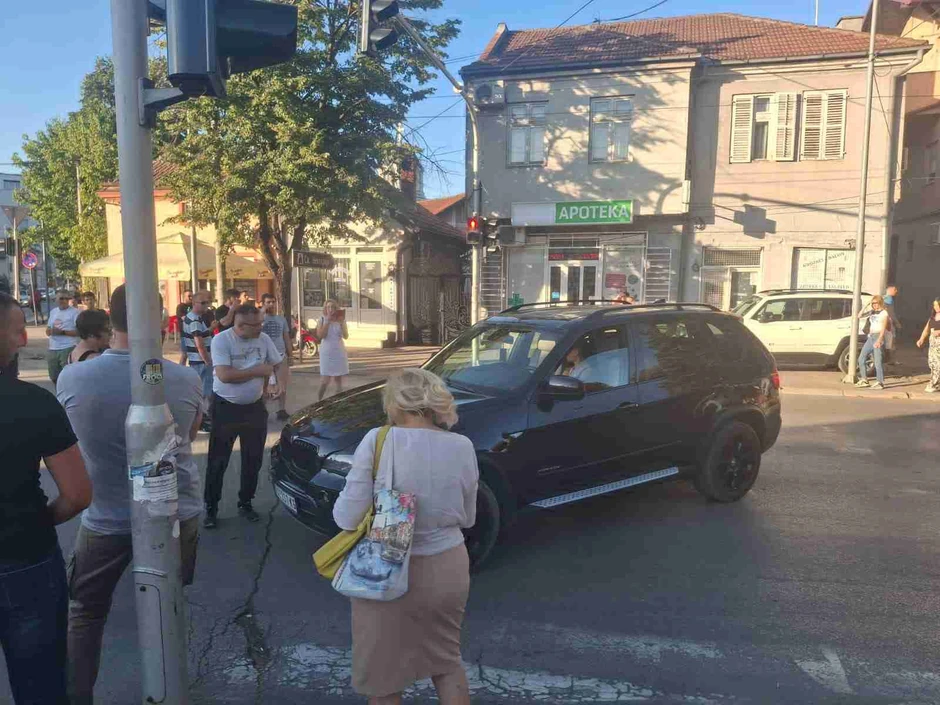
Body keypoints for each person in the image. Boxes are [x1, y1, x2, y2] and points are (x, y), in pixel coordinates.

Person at [56, 284, 203, 704]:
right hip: (176, 512)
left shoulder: (74, 376)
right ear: (158, 318)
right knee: (169, 604)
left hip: (105, 515)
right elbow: (190, 434)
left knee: (85, 611)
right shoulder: (185, 377)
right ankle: (170, 688)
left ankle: (77, 696)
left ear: (111, 317)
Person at [333, 368, 477, 705]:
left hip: (385, 568)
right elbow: (469, 518)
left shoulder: (378, 439)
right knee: (446, 662)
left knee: (383, 679)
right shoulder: (462, 445)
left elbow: (347, 517)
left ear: (394, 403)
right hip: (447, 566)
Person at [0, 291, 92, 704]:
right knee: (40, 687)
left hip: (26, 559)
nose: (25, 339)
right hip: (26, 560)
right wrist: (37, 518)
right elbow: (77, 494)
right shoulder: (35, 403)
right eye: (18, 331)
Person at [203, 304, 284, 528]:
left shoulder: (263, 339)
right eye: (256, 325)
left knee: (253, 459)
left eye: (261, 323)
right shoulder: (222, 340)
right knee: (218, 461)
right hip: (225, 408)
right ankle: (211, 508)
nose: (261, 328)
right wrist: (258, 370)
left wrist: (278, 383)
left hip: (254, 408)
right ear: (240, 325)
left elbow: (278, 364)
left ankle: (246, 502)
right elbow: (225, 375)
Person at [183, 291, 215, 432]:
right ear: (194, 303)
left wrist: (210, 330)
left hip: (197, 360)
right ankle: (202, 419)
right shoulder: (195, 320)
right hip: (200, 361)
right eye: (203, 303)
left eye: (207, 302)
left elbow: (201, 336)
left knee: (201, 390)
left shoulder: (193, 318)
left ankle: (201, 418)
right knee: (204, 391)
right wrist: (208, 361)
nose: (206, 305)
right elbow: (199, 344)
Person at [260, 293, 292, 421]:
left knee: (282, 384)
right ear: (263, 304)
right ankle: (263, 410)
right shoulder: (260, 319)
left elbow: (286, 338)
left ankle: (281, 410)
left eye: (273, 302)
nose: (271, 304)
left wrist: (290, 355)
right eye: (268, 302)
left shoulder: (281, 319)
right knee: (264, 385)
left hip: (280, 354)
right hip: (265, 356)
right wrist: (262, 312)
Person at [46, 289, 80, 386]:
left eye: (66, 298)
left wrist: (63, 332)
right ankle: (59, 392)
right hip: (53, 348)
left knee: (67, 376)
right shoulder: (53, 312)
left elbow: (79, 332)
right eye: (61, 298)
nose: (64, 301)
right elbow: (47, 330)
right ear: (56, 299)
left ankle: (67, 393)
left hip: (68, 347)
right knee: (53, 376)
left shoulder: (75, 312)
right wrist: (51, 331)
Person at [317, 299, 349, 401]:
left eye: (333, 307)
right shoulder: (322, 319)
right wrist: (327, 322)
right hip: (326, 353)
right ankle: (319, 402)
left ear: (336, 309)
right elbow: (320, 336)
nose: (330, 309)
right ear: (325, 309)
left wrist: (341, 323)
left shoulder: (341, 320)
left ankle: (338, 402)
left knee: (338, 380)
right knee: (325, 381)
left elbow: (346, 336)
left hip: (338, 351)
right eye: (328, 307)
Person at [856, 294, 890, 390]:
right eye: (873, 303)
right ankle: (864, 379)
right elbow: (859, 316)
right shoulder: (872, 312)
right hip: (870, 337)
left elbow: (883, 328)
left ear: (880, 303)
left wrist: (880, 339)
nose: (874, 305)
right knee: (861, 358)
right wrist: (866, 305)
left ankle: (880, 382)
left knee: (877, 361)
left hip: (878, 336)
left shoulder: (884, 313)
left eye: (876, 303)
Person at [916, 298, 940, 393]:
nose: (936, 307)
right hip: (933, 343)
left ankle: (934, 384)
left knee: (938, 365)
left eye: (938, 305)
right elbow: (926, 329)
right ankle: (935, 383)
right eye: (934, 305)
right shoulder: (932, 317)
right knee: (932, 363)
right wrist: (921, 339)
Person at [883, 285, 901, 365]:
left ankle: (887, 359)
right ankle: (891, 360)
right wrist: (897, 323)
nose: (896, 291)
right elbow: (891, 313)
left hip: (884, 324)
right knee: (892, 342)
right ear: (889, 290)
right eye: (895, 289)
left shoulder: (883, 298)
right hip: (889, 324)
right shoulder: (889, 299)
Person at [176, 290, 193, 365]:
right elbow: (184, 318)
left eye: (192, 296)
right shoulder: (181, 307)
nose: (191, 298)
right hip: (185, 333)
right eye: (189, 296)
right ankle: (180, 369)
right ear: (184, 297)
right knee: (185, 354)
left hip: (194, 333)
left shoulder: (194, 306)